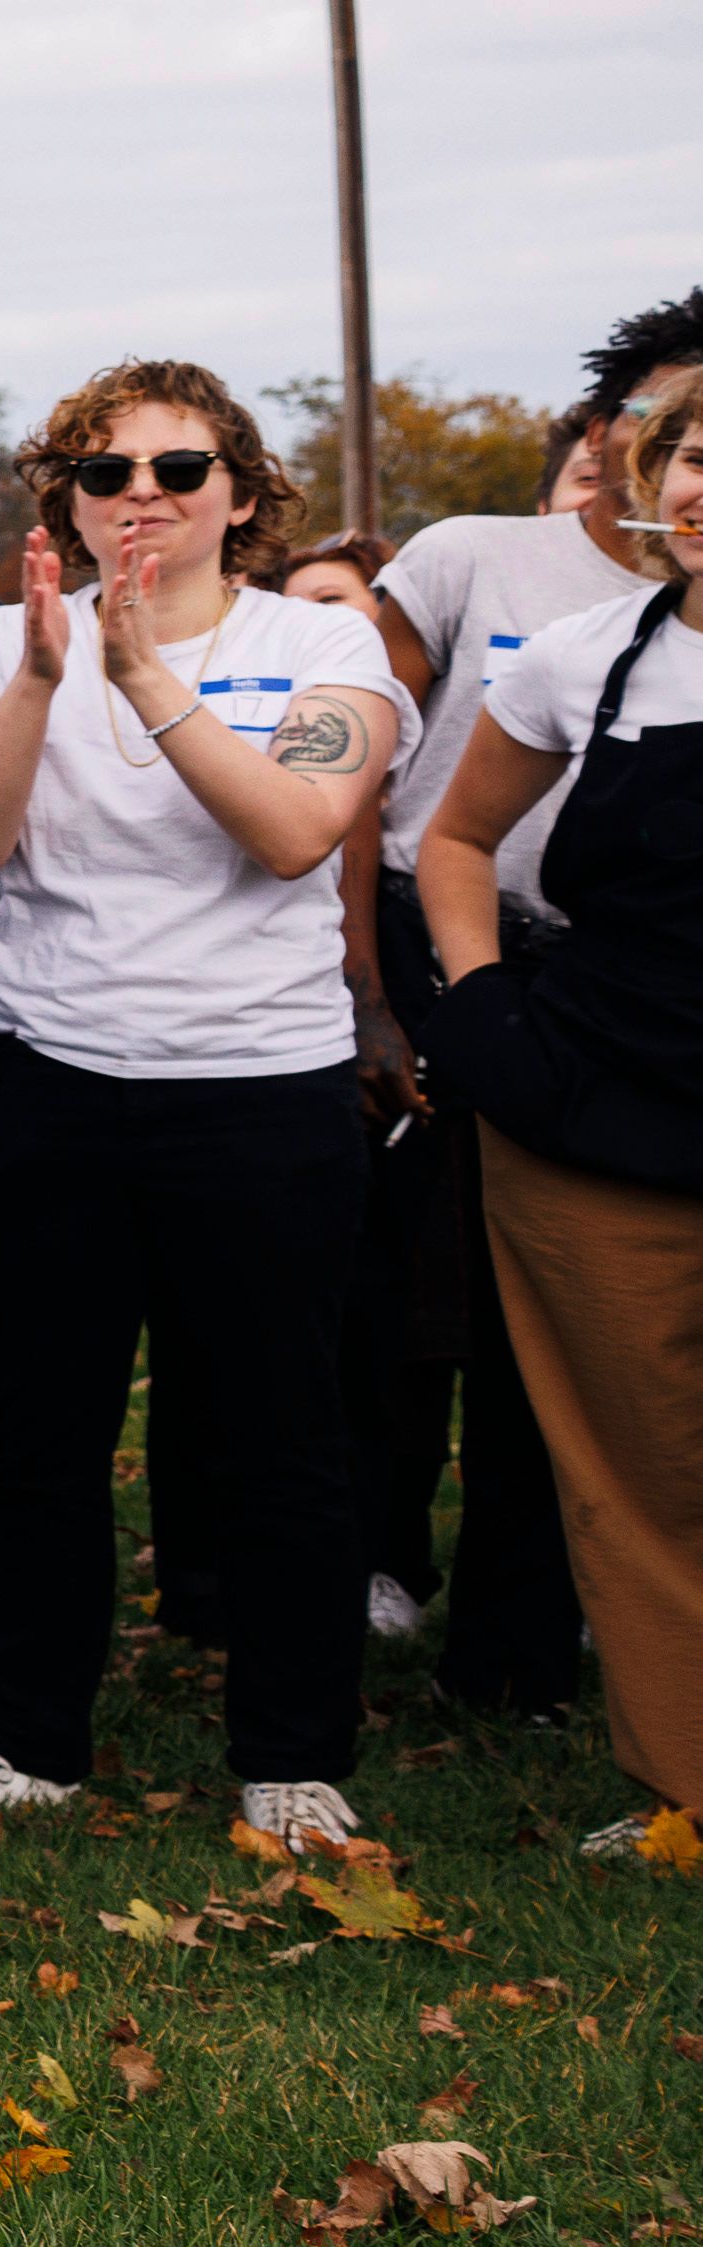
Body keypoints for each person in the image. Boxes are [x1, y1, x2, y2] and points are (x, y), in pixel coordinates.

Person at [0, 358, 401, 1846]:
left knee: (276, 1427)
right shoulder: (2, 641)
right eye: (105, 472)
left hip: (260, 1091)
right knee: (30, 1423)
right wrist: (50, 675)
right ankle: (25, 1734)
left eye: (178, 470)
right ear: (63, 492)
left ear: (238, 495)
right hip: (51, 1078)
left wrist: (145, 678)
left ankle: (294, 1750)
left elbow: (297, 832)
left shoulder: (322, 637)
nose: (142, 498)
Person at [363, 296, 700, 1681]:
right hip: (588, 1070)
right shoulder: (577, 645)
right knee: (612, 1426)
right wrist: (478, 1003)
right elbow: (431, 818)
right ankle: (661, 1753)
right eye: (690, 450)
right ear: (639, 461)